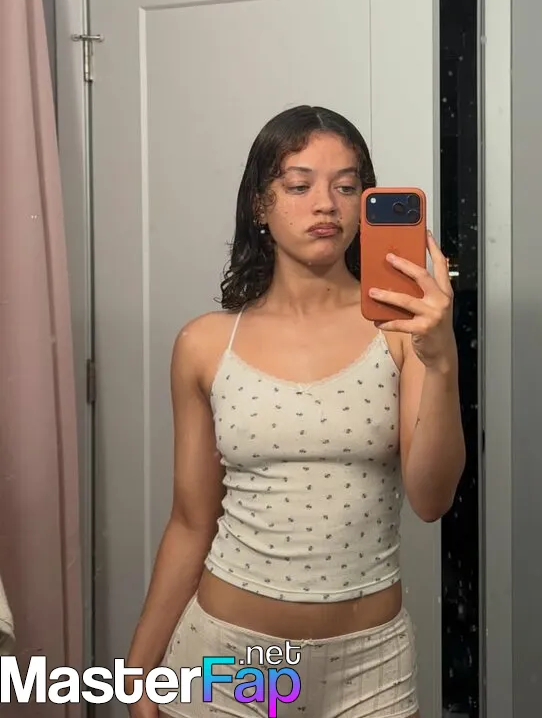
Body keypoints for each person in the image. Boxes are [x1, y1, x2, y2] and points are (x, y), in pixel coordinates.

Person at [126, 104, 466, 718]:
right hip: (227, 662)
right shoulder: (205, 344)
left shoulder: (402, 334)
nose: (326, 205)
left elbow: (430, 499)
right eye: (299, 185)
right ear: (261, 203)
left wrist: (440, 360)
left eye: (346, 187)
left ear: (365, 204)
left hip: (372, 668)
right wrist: (138, 671)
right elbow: (190, 521)